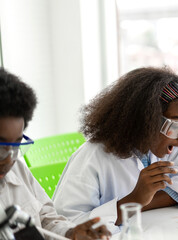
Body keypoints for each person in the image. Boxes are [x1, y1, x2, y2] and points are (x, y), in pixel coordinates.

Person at [53, 67, 178, 234]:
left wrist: (145, 202)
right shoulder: (92, 157)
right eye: (175, 125)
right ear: (145, 119)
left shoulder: (167, 147)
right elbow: (67, 227)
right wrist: (133, 200)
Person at [0, 68, 111, 239]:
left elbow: (46, 218)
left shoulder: (17, 171)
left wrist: (71, 233)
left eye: (16, 145)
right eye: (1, 146)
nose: (8, 159)